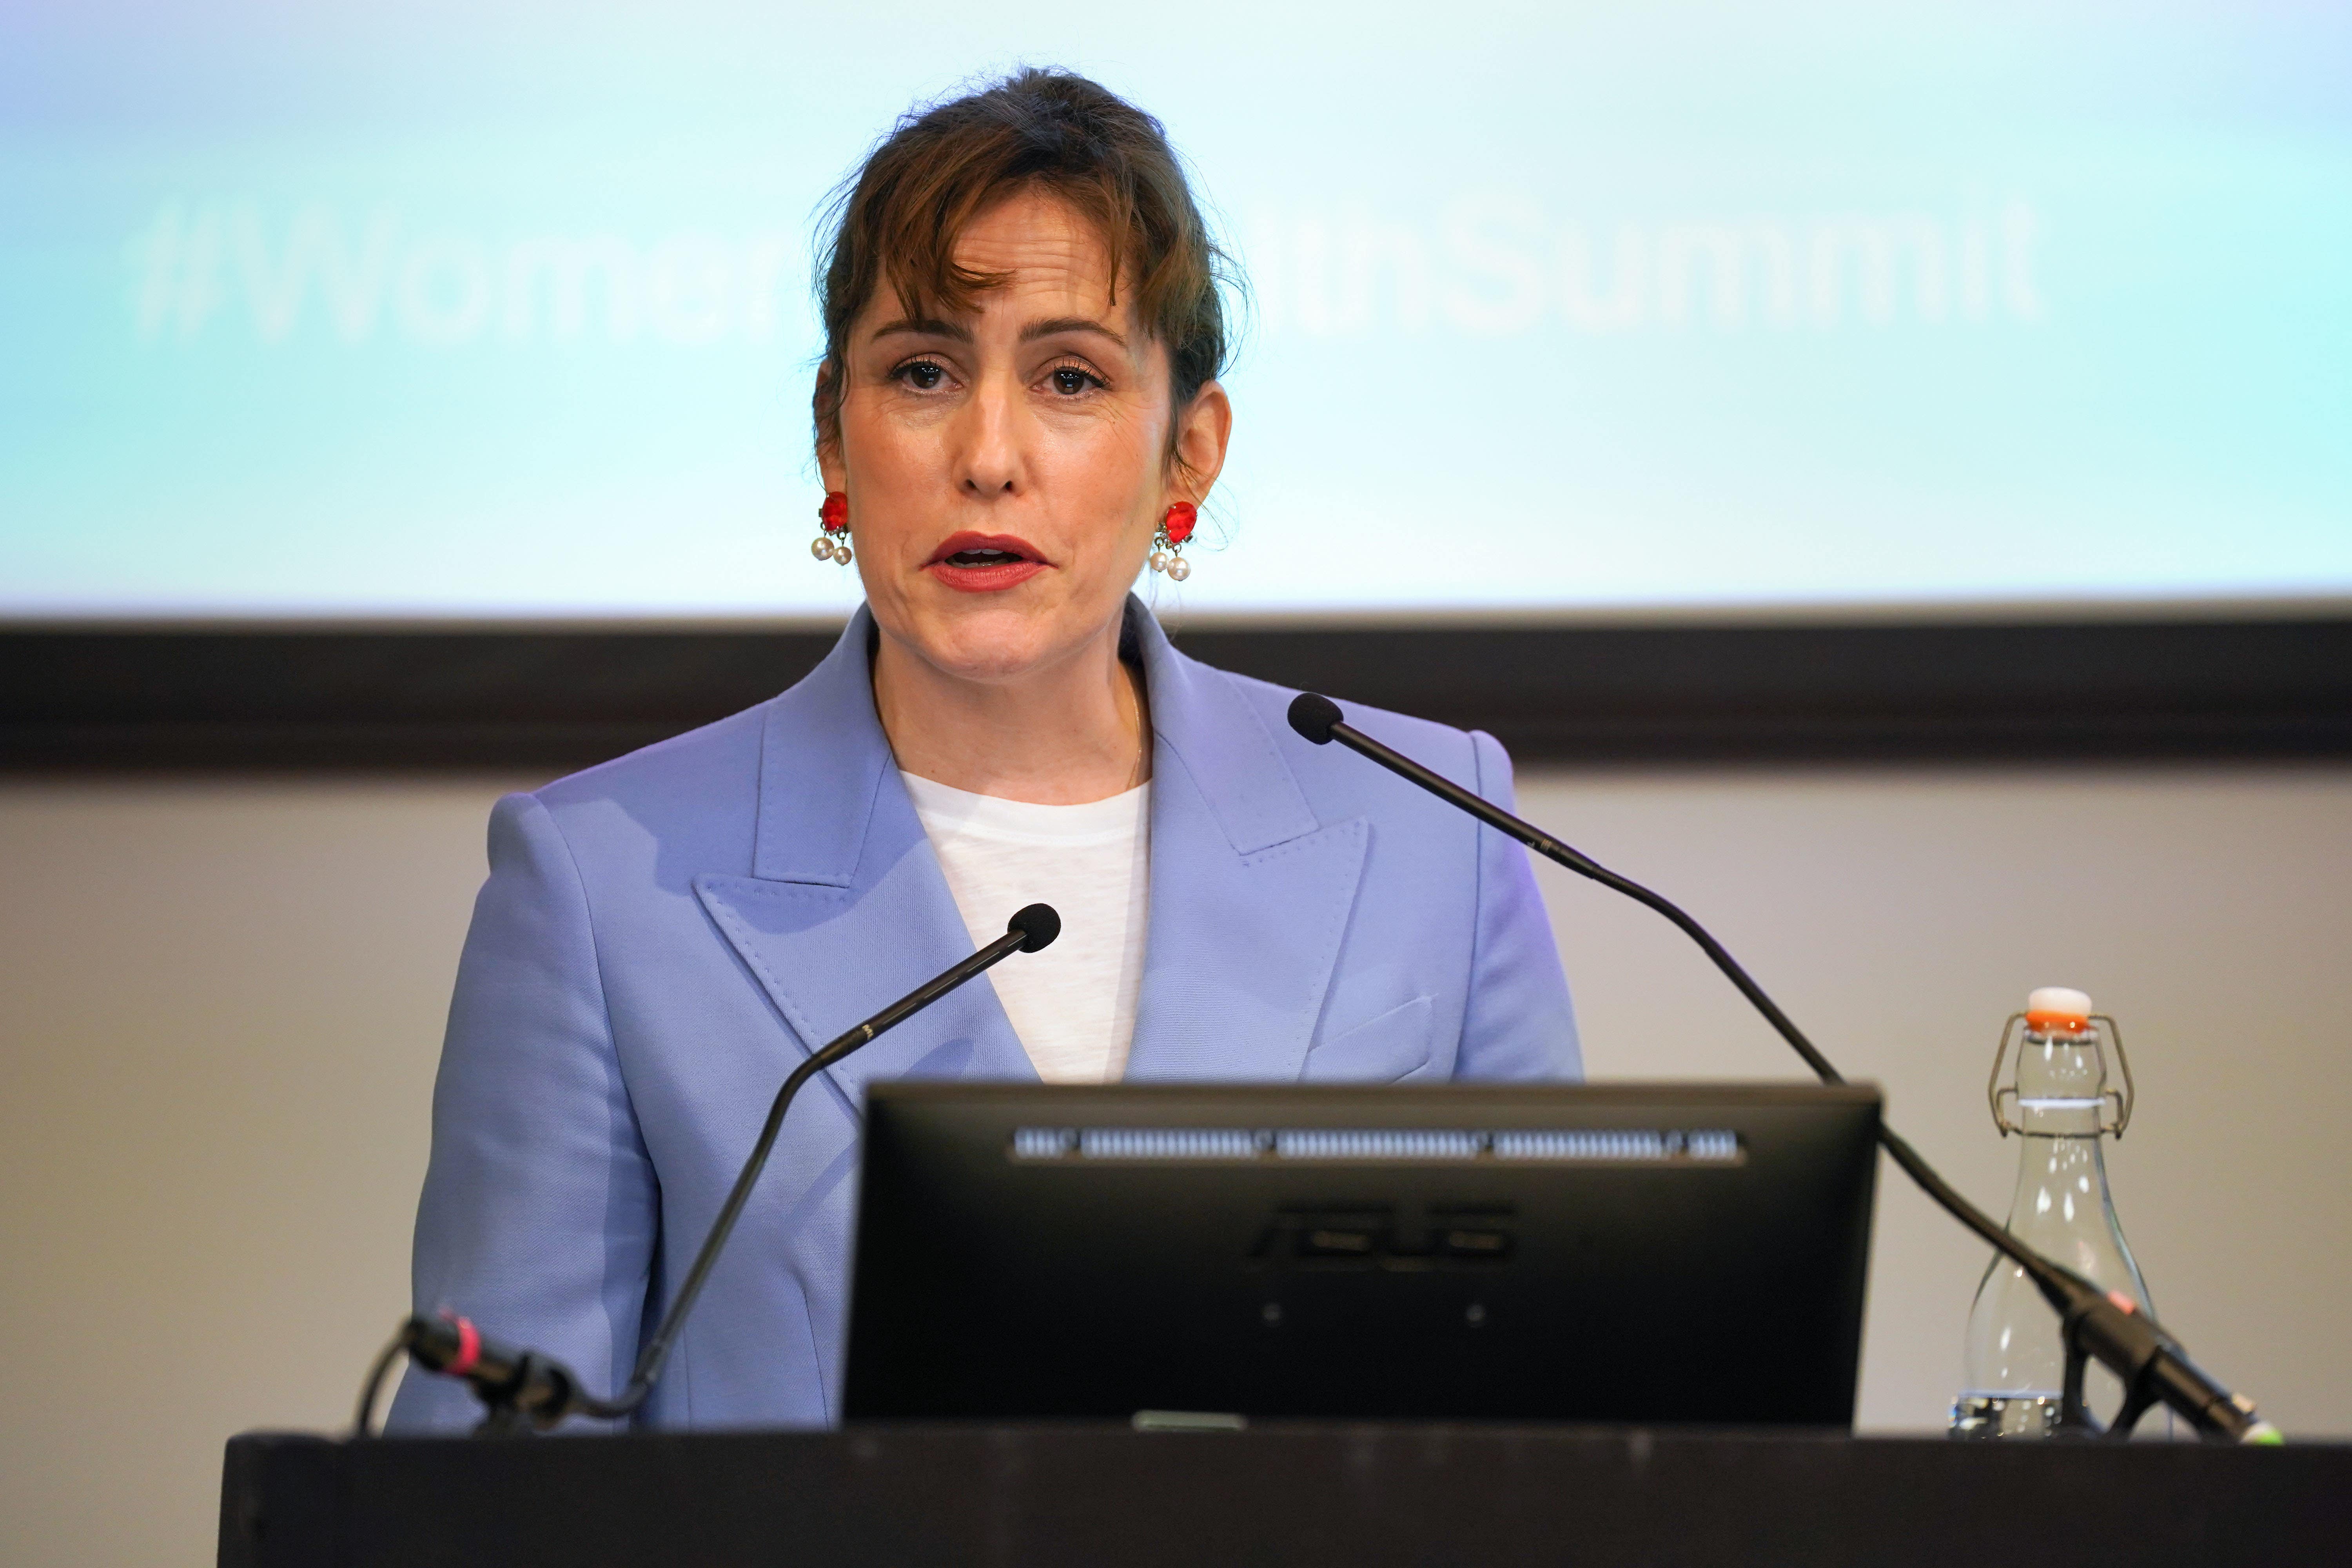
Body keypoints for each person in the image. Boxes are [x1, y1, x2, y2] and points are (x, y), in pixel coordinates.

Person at [388, 68, 1579, 1432]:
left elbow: (1543, 1423)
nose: (989, 455)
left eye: (1071, 377)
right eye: (923, 373)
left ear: (1189, 453)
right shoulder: (599, 889)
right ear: (834, 431)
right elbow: (491, 1486)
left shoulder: (1436, 825)